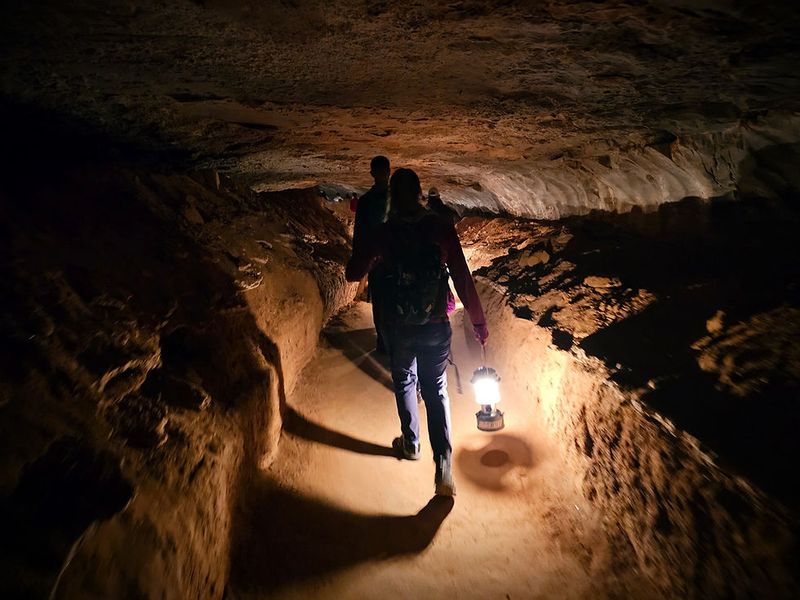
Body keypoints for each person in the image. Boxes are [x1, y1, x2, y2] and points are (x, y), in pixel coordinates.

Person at [346, 168, 489, 497]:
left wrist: (371, 254)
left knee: (405, 381)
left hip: (398, 327)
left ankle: (411, 444)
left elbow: (354, 272)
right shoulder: (439, 228)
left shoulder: (386, 232)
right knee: (436, 389)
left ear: (394, 197)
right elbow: (463, 279)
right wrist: (479, 323)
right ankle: (443, 469)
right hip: (436, 326)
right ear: (421, 192)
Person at [353, 155, 391, 353]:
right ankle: (392, 340)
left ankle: (384, 341)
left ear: (371, 173)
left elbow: (359, 233)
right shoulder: (399, 199)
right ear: (389, 171)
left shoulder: (366, 201)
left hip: (377, 259)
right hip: (395, 258)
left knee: (380, 301)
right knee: (395, 300)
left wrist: (359, 259)